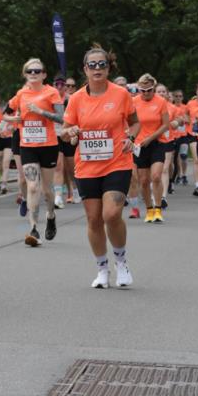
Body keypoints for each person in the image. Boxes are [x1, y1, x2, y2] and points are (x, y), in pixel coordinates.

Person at [62, 45, 139, 288]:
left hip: (117, 162)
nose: (97, 68)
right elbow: (65, 132)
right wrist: (70, 132)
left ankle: (122, 262)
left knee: (112, 214)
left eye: (102, 64)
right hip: (87, 166)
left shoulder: (121, 94)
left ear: (108, 67)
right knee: (94, 219)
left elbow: (135, 124)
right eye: (92, 65)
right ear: (85, 69)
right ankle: (102, 269)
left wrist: (131, 138)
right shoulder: (75, 99)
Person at [3, 59, 63, 247]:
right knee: (32, 187)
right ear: (25, 74)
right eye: (30, 71)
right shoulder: (21, 93)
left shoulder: (51, 92)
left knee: (47, 189)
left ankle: (51, 215)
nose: (34, 74)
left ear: (44, 74)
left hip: (48, 145)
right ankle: (33, 229)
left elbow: (62, 118)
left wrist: (41, 111)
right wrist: (14, 118)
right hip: (27, 145)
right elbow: (5, 114)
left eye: (38, 71)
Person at [132, 74, 170, 223]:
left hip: (156, 143)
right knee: (143, 180)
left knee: (156, 176)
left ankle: (158, 209)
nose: (146, 93)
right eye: (143, 90)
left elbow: (165, 124)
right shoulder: (133, 102)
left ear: (154, 88)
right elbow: (128, 122)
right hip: (140, 146)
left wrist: (150, 138)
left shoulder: (160, 101)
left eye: (149, 90)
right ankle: (149, 210)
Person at [53, 76, 76, 208]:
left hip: (68, 134)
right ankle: (58, 197)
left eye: (63, 85)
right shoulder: (49, 98)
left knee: (71, 168)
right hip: (55, 135)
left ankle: (75, 189)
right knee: (58, 166)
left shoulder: (71, 99)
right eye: (57, 84)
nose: (60, 87)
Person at [155, 84, 180, 206]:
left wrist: (176, 122)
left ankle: (163, 197)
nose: (161, 93)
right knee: (154, 172)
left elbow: (179, 120)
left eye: (163, 91)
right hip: (153, 141)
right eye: (158, 91)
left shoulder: (172, 107)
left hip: (168, 140)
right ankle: (155, 192)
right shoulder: (150, 105)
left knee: (164, 169)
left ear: (166, 93)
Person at [170, 89, 190, 186]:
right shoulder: (171, 107)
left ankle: (184, 175)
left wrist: (184, 119)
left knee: (184, 155)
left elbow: (189, 120)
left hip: (184, 135)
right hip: (174, 135)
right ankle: (179, 175)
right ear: (173, 97)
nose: (178, 98)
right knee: (175, 157)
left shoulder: (185, 107)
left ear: (182, 97)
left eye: (180, 96)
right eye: (176, 96)